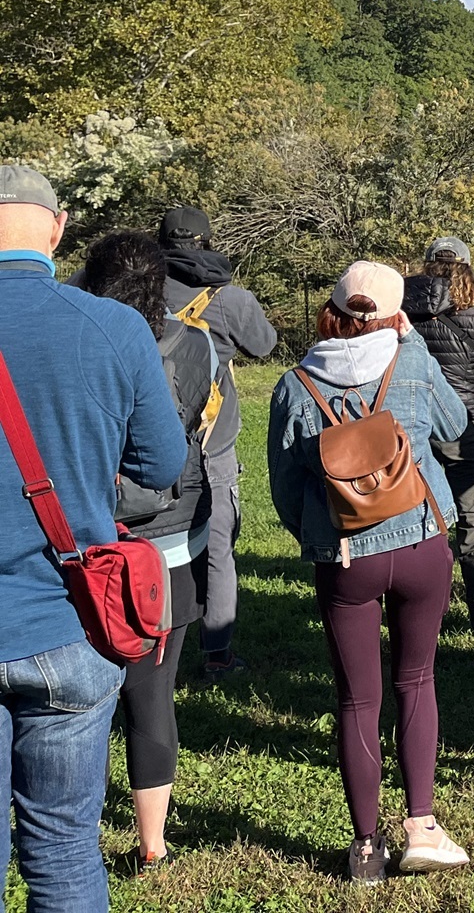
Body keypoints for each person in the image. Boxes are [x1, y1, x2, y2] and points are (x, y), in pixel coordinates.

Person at [0, 168, 183, 912]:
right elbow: (162, 464)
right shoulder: (113, 327)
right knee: (65, 849)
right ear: (59, 227)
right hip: (70, 623)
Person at [268, 261, 470, 881]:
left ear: (332, 307)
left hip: (345, 557)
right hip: (421, 545)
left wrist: (322, 539)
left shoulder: (295, 384)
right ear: (396, 314)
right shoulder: (411, 361)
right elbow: (456, 427)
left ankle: (364, 848)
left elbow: (284, 487)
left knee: (357, 699)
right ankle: (422, 826)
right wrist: (411, 346)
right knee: (417, 680)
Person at [72, 232, 219, 873]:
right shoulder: (197, 344)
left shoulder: (76, 337)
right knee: (152, 694)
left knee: (80, 698)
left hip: (87, 538)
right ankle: (152, 843)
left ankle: (65, 823)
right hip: (169, 542)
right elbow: (200, 438)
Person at [158, 206, 277, 683]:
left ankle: (146, 642)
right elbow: (265, 345)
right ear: (207, 242)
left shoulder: (128, 288)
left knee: (143, 542)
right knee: (218, 547)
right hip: (209, 443)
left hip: (137, 440)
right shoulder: (229, 299)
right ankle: (218, 654)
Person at [402, 237, 474, 669]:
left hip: (408, 427)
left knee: (413, 527)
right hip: (462, 426)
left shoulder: (401, 312)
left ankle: (415, 636)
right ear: (467, 267)